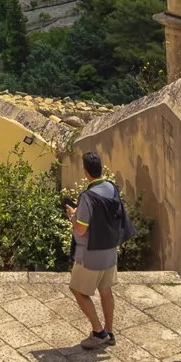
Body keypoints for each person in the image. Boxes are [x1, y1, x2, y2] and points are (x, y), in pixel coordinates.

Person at [69, 150, 131, 350]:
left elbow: (81, 228)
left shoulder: (87, 197)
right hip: (110, 250)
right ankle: (110, 331)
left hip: (91, 253)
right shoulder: (111, 187)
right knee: (106, 291)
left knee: (77, 290)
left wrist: (72, 215)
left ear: (85, 172)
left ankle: (98, 332)